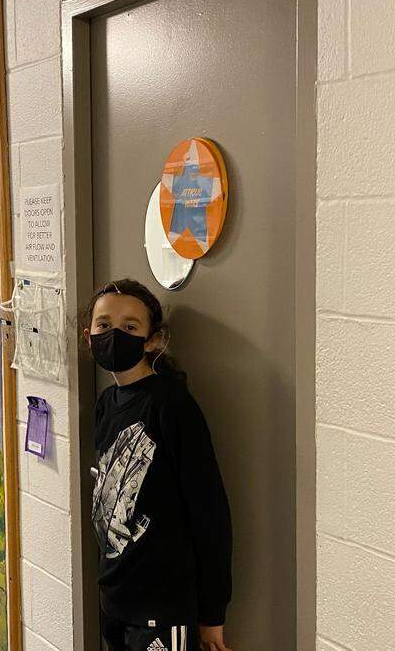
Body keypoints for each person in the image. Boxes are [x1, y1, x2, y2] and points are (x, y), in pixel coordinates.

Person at [82, 279, 233, 651]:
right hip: (115, 600)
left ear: (152, 340)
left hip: (161, 609)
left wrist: (212, 614)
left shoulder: (172, 407)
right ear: (89, 336)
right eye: (104, 325)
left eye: (130, 327)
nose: (115, 334)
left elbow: (210, 514)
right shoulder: (106, 403)